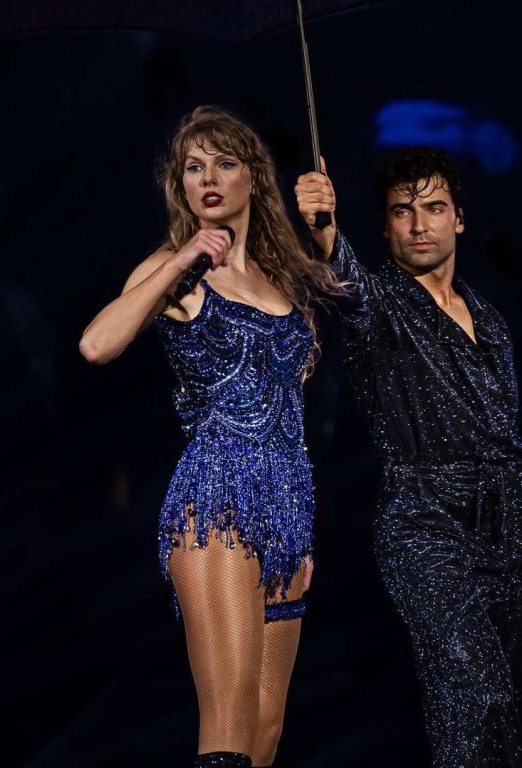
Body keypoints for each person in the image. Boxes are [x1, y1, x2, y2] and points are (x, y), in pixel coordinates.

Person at [295, 148, 522, 767]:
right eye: (402, 212)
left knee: (516, 719)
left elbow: (509, 448)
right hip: (423, 526)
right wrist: (323, 228)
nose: (419, 225)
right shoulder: (380, 305)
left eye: (434, 208)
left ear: (460, 220)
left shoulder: (491, 324)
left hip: (501, 533)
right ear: (385, 227)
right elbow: (345, 283)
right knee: (474, 694)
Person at [80, 106, 344, 768]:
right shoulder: (177, 267)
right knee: (226, 730)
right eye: (193, 167)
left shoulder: (286, 278)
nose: (207, 177)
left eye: (224, 163)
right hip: (217, 504)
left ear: (255, 178)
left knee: (264, 734)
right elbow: (96, 344)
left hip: (288, 516)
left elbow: (299, 404)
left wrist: (329, 230)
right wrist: (181, 261)